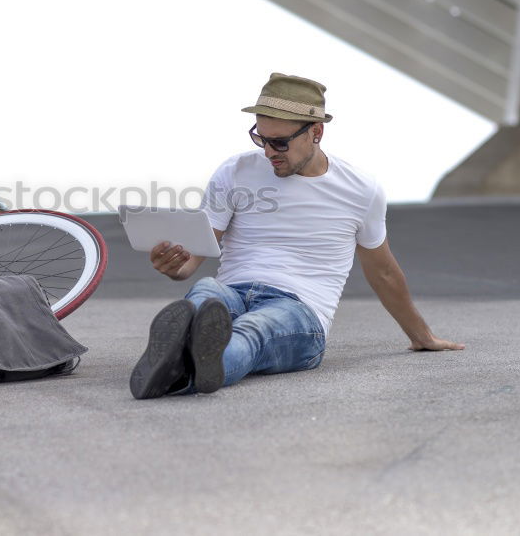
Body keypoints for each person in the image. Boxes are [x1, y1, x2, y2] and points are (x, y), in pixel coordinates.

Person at [129, 73, 465, 400]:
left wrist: (422, 336)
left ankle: (177, 371)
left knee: (255, 331)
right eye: (260, 138)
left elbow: (384, 272)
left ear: (316, 132)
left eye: (279, 142)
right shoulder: (235, 172)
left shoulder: (361, 190)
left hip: (300, 310)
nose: (268, 152)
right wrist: (174, 266)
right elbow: (194, 258)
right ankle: (182, 356)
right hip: (232, 294)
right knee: (205, 291)